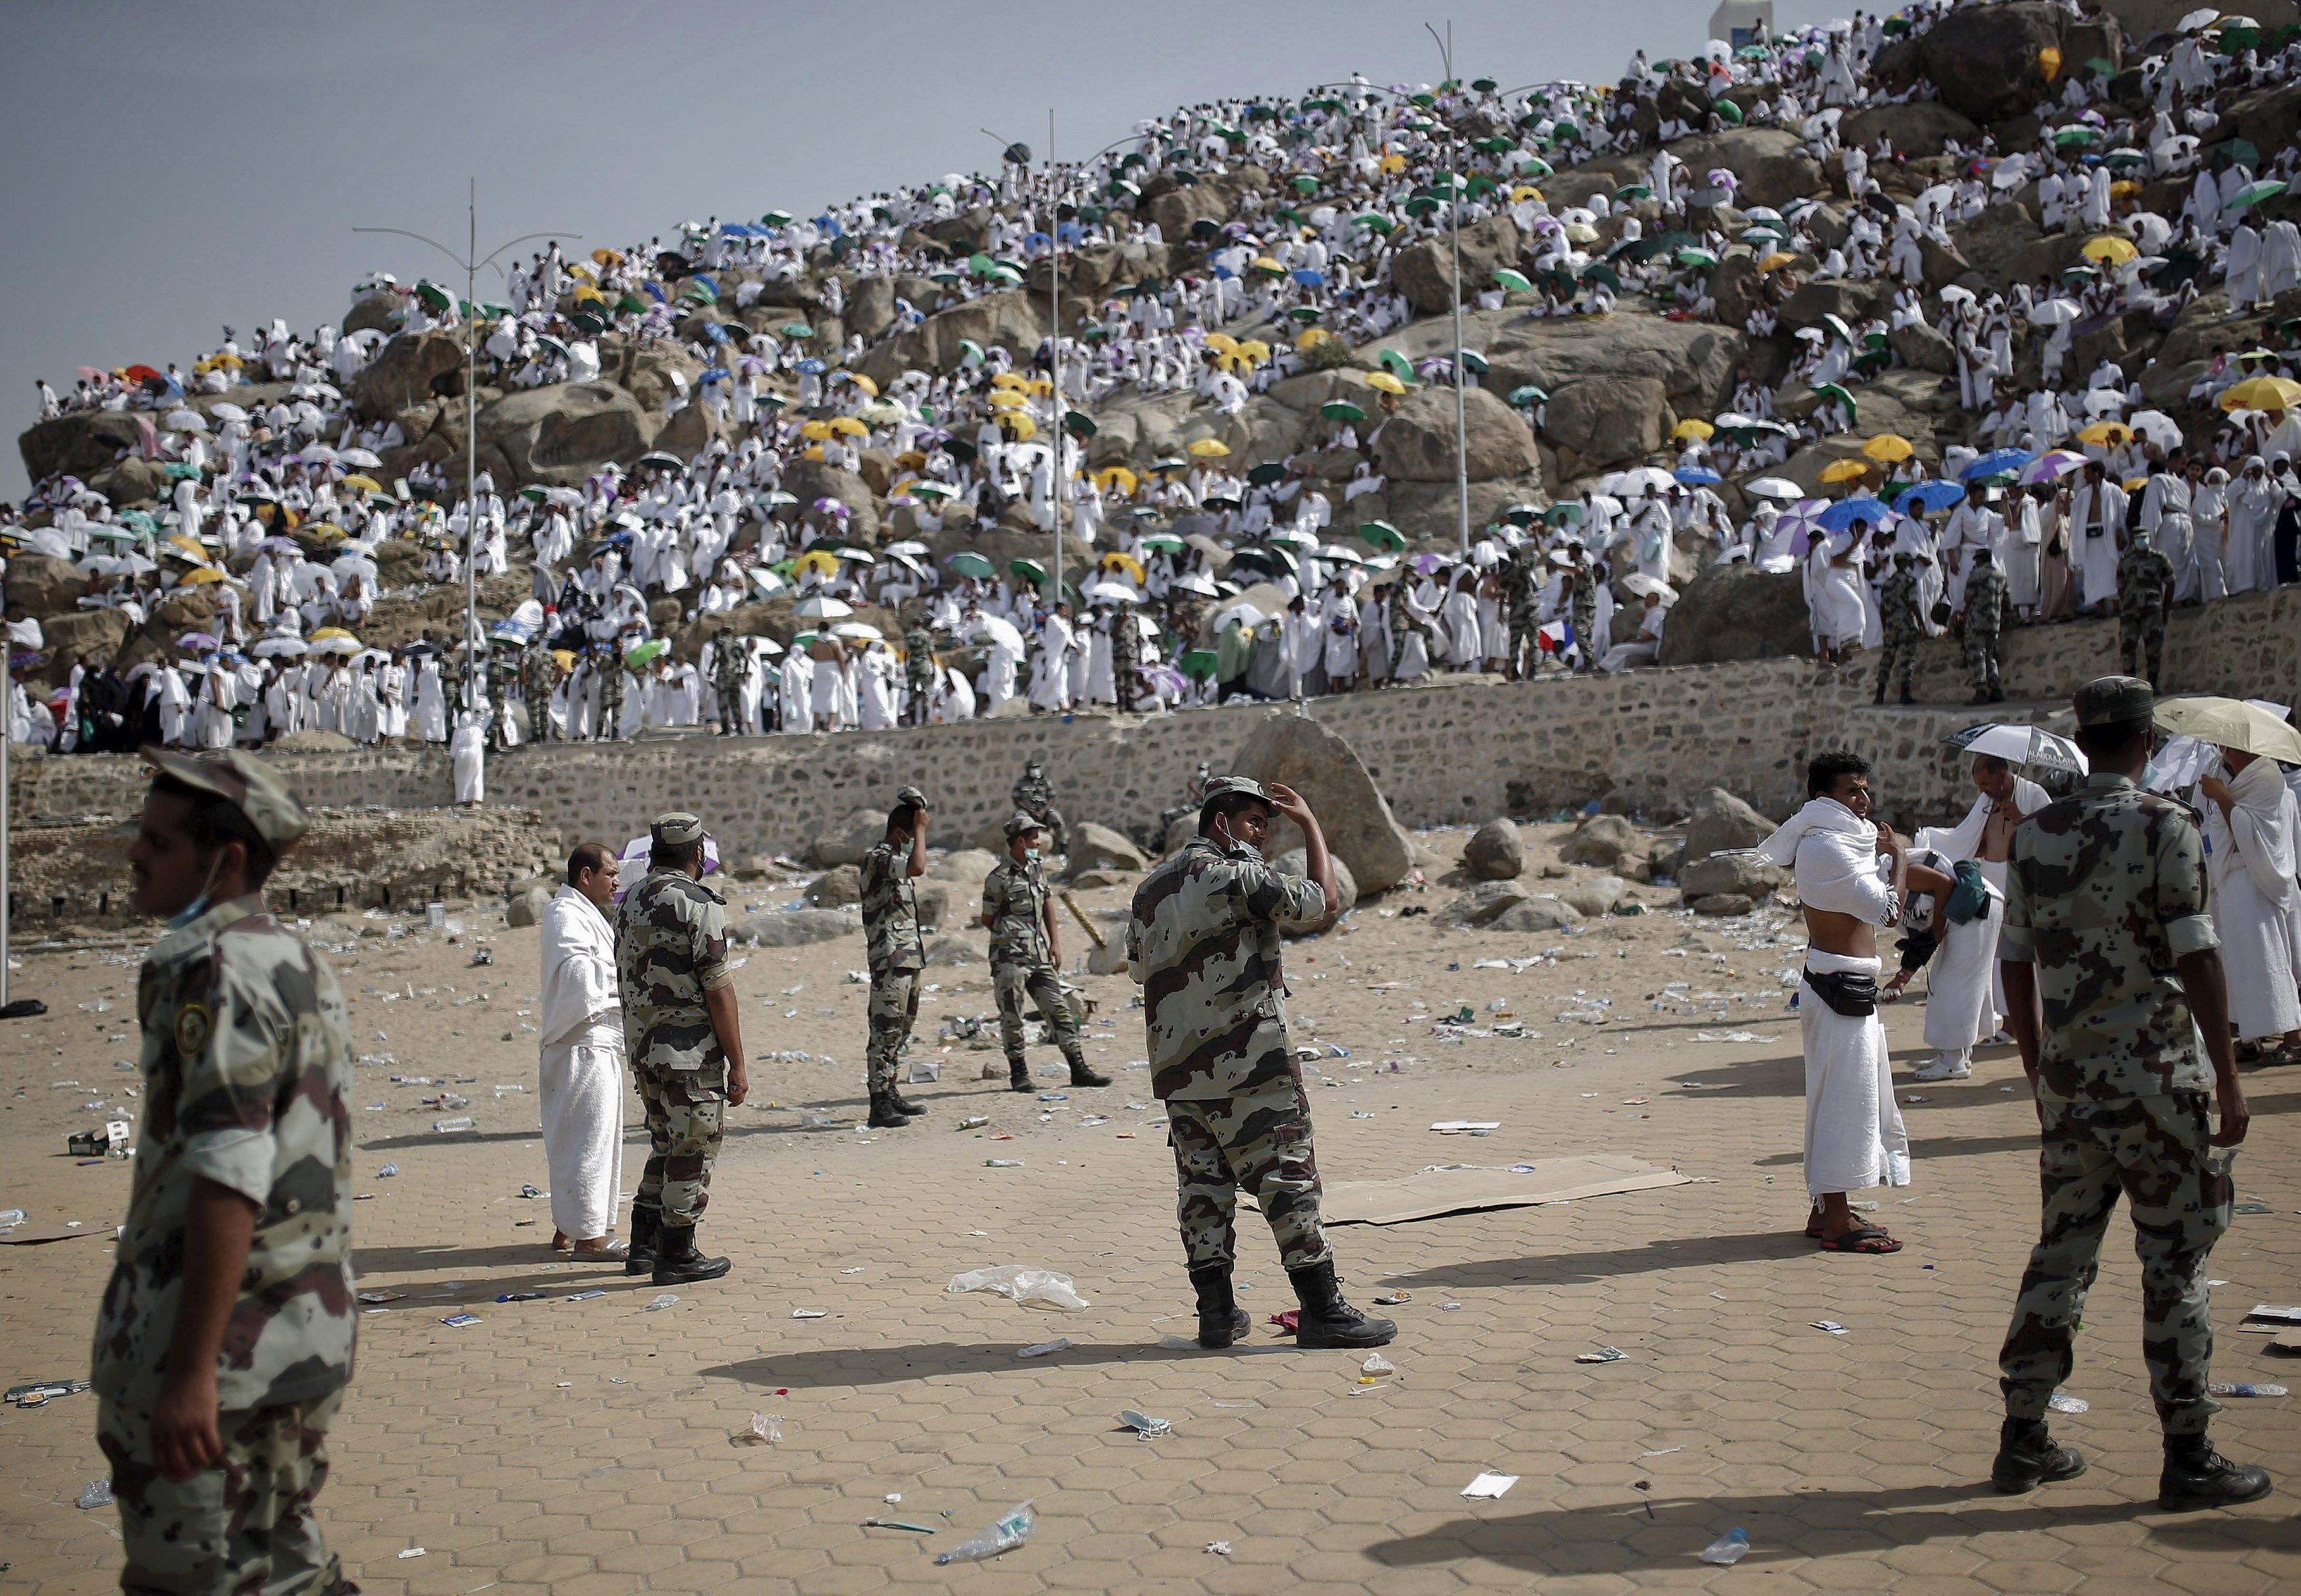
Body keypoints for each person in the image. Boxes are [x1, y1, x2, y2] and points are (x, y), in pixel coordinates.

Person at [1991, 676, 2267, 1509]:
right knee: (2173, 1262)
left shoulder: (2036, 834)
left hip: (2071, 1083)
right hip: (2155, 1081)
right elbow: (2196, 954)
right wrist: (2225, 1077)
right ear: (2145, 742)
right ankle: (2187, 1453)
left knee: (2058, 1255)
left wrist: (2037, 1068)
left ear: (2084, 737)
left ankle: (2022, 1440)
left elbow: (2013, 956)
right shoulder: (2166, 825)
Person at [96, 749, 356, 1596]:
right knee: (281, 1566)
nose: (135, 856)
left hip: (231, 1350)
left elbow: (226, 1172)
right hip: (293, 1332)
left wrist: (191, 1372)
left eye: (159, 842)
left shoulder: (215, 967)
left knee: (197, 1572)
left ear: (226, 859)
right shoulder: (293, 958)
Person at [1125, 776, 1396, 1350]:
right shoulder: (1238, 875)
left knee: (1203, 1193)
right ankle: (1323, 1311)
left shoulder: (1148, 889)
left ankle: (1217, 1316)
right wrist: (1311, 824)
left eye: (1269, 828)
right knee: (1288, 1179)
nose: (1262, 838)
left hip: (1179, 1073)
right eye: (1254, 824)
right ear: (1221, 823)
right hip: (1251, 1066)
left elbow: (1135, 967)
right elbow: (1324, 902)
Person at [1756, 750, 1953, 1252]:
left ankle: (1827, 1211)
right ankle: (1838, 1224)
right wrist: (1902, 860)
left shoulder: (1840, 841)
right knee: (1847, 1102)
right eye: (1852, 791)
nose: (1864, 801)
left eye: (1866, 790)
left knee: (1843, 1096)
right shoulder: (1827, 847)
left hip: (1843, 982)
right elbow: (1888, 912)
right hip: (1838, 986)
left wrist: (1887, 860)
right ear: (1824, 796)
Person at [615, 812, 749, 1286]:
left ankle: (643, 1248)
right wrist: (737, 1063)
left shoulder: (629, 900)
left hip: (644, 1049)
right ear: (697, 854)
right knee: (692, 1147)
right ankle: (677, 1253)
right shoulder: (698, 903)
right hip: (689, 1053)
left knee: (665, 1144)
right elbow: (718, 989)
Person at [1890, 754, 2047, 1081]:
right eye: (1979, 786)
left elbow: (2052, 835)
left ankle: (1955, 1060)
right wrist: (1908, 969)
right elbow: (1969, 842)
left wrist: (2021, 818)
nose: (1983, 790)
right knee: (1975, 976)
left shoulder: (2032, 796)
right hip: (1985, 885)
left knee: (1958, 980)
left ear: (2003, 774)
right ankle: (1973, 1044)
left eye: (1987, 783)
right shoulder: (1986, 805)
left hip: (1991, 897)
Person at [538, 841, 629, 1258]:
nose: (616, 881)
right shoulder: (564, 914)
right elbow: (575, 976)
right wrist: (619, 970)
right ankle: (590, 1238)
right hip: (581, 1044)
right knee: (585, 1142)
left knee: (587, 1140)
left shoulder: (589, 916)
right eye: (609, 874)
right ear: (584, 877)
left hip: (598, 1044)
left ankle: (568, 1228)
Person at [980, 811, 1107, 1094]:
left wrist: (1055, 942)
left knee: (1058, 1010)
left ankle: (1078, 1068)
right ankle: (1019, 1073)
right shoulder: (998, 878)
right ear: (1020, 842)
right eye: (1034, 838)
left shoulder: (1037, 870)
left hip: (1038, 955)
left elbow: (1047, 902)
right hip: (1009, 958)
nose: (1039, 842)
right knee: (1012, 1016)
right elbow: (987, 919)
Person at [2196, 737, 2301, 1062]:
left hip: (2255, 885)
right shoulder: (2243, 781)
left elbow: (2253, 835)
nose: (2224, 753)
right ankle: (2251, 1038)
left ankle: (2294, 1038)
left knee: (2267, 962)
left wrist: (2223, 798)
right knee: (2239, 964)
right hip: (2236, 884)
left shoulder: (2267, 779)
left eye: (2229, 746)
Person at [859, 786, 932, 1127]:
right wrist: (920, 829)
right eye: (911, 832)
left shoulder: (893, 860)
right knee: (885, 1030)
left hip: (907, 958)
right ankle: (878, 1104)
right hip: (889, 958)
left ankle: (890, 1091)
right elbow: (918, 867)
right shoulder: (879, 857)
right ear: (900, 832)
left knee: (902, 1029)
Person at [2116, 527, 2175, 688]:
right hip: (2131, 612)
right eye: (2138, 538)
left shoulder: (2159, 559)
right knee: (2128, 648)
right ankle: (2130, 687)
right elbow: (2120, 587)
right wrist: (2127, 604)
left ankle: (2153, 686)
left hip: (2152, 610)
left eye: (2144, 538)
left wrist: (2165, 611)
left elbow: (2170, 582)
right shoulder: (2126, 561)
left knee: (2154, 649)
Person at [1958, 547, 2010, 704]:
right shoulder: (2001, 576)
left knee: (1977, 655)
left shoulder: (1976, 575)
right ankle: (1995, 689)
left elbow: (1968, 598)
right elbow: (2007, 600)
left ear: (1980, 560)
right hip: (1994, 621)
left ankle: (1981, 690)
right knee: (1990, 655)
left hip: (1978, 621)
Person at [1873, 552, 1922, 705]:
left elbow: (1882, 609)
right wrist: (1923, 626)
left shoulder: (1888, 583)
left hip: (1891, 626)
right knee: (1907, 658)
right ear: (1907, 562)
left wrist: (1885, 628)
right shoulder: (1909, 581)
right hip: (1906, 624)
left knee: (1887, 659)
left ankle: (1879, 695)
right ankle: (1905, 694)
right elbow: (1913, 604)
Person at [1011, 756, 1067, 855]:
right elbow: (1016, 799)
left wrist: (1044, 810)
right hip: (1027, 811)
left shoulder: (1045, 781)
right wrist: (1029, 810)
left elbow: (1052, 797)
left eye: (1037, 768)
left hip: (1043, 811)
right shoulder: (1021, 783)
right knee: (1019, 818)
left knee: (1056, 817)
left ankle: (1062, 845)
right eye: (1033, 769)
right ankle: (1020, 845)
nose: (1035, 771)